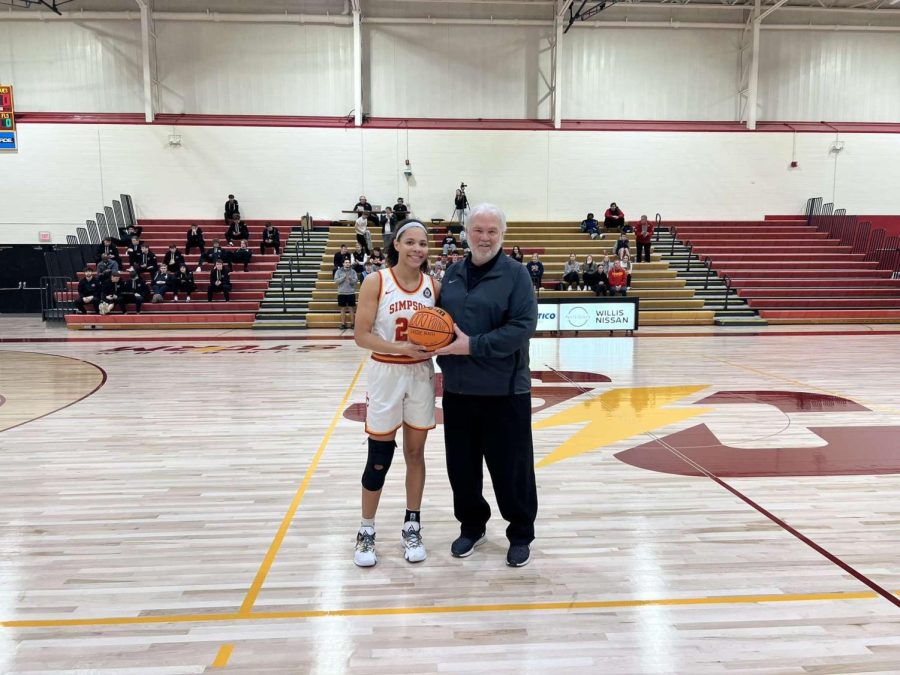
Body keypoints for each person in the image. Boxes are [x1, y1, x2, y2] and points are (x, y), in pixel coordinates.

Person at [435, 203, 538, 568]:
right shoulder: (451, 274)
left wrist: (471, 346)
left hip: (505, 392)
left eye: (492, 231)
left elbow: (522, 327)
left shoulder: (517, 275)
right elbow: (439, 324)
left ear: (502, 235)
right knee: (461, 468)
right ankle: (472, 525)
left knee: (512, 469)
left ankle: (521, 532)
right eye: (478, 230)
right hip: (458, 391)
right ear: (466, 233)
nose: (484, 237)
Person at [352, 219, 437, 567]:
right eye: (411, 242)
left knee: (416, 454)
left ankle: (412, 524)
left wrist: (437, 345)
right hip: (386, 372)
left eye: (423, 243)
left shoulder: (433, 285)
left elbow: (440, 332)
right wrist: (402, 349)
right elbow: (361, 335)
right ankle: (366, 530)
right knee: (379, 457)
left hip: (419, 374)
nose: (418, 248)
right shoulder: (377, 281)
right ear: (397, 245)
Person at [334, 258, 359, 330]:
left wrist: (350, 279)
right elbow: (336, 281)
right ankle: (343, 324)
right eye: (346, 262)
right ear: (343, 263)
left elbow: (356, 281)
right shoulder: (338, 271)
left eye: (348, 262)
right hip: (341, 293)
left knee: (351, 309)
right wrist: (343, 277)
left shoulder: (353, 271)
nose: (347, 263)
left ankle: (353, 324)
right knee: (342, 309)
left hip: (351, 292)